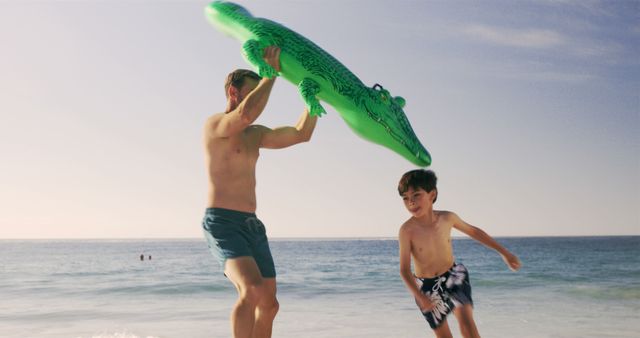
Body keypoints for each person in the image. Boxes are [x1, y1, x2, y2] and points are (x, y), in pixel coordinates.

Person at [201, 46, 318, 338]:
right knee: (252, 290)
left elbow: (301, 134)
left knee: (269, 303)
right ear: (233, 93)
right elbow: (245, 114)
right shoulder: (216, 126)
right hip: (223, 222)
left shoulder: (255, 135)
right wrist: (271, 74)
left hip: (252, 225)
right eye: (252, 92)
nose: (258, 98)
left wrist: (313, 103)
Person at [397, 169, 521, 338]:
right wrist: (419, 296)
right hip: (426, 288)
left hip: (453, 276)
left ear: (432, 194)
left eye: (416, 195)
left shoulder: (447, 218)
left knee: (467, 326)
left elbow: (474, 232)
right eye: (405, 198)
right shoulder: (407, 231)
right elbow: (404, 270)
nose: (411, 202)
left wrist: (504, 253)